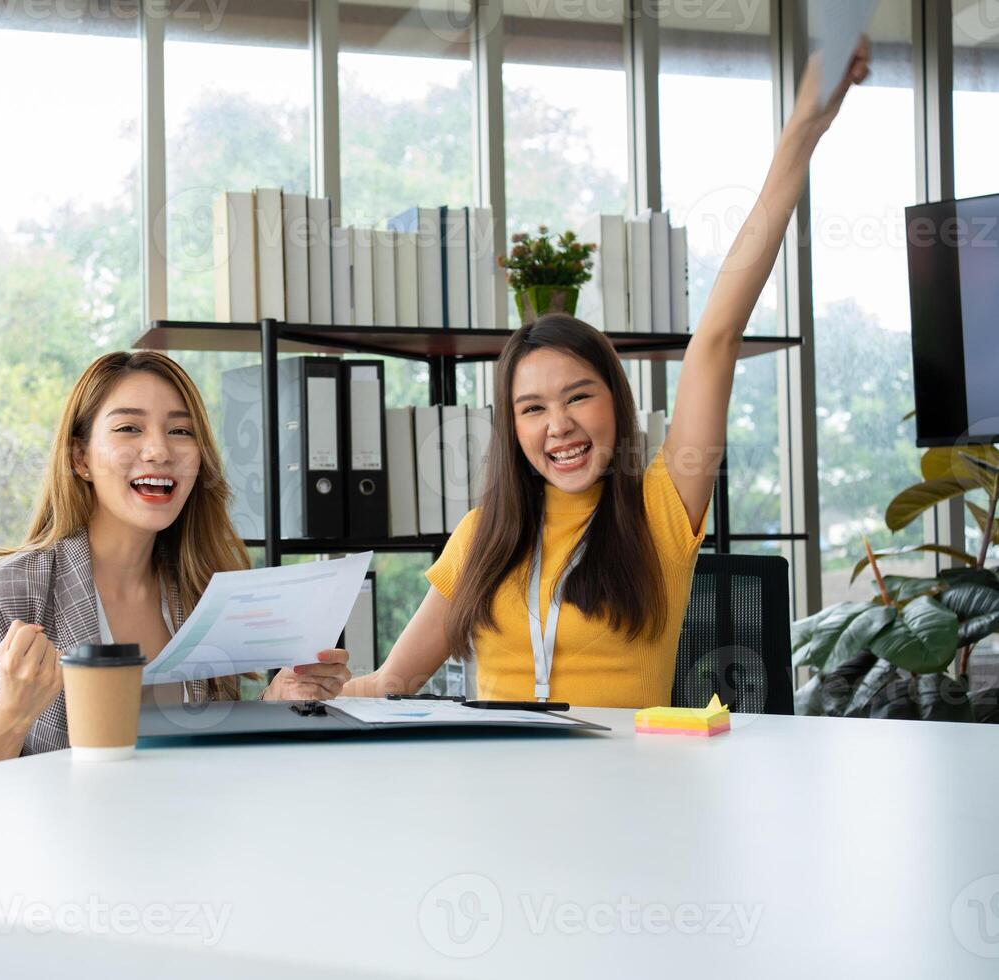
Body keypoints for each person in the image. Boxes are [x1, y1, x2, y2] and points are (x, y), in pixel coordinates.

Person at [345, 43, 871, 707]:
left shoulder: (661, 509)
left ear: (615, 405)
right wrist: (315, 688)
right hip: (498, 797)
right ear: (512, 429)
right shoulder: (483, 535)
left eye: (577, 397)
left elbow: (715, 340)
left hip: (627, 796)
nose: (557, 425)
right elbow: (393, 681)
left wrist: (803, 131)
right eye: (531, 409)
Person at [0, 351, 351, 769]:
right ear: (81, 459)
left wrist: (275, 702)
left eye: (180, 430)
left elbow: (205, 756)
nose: (159, 450)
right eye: (129, 428)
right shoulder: (13, 594)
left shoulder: (201, 585)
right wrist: (14, 712)